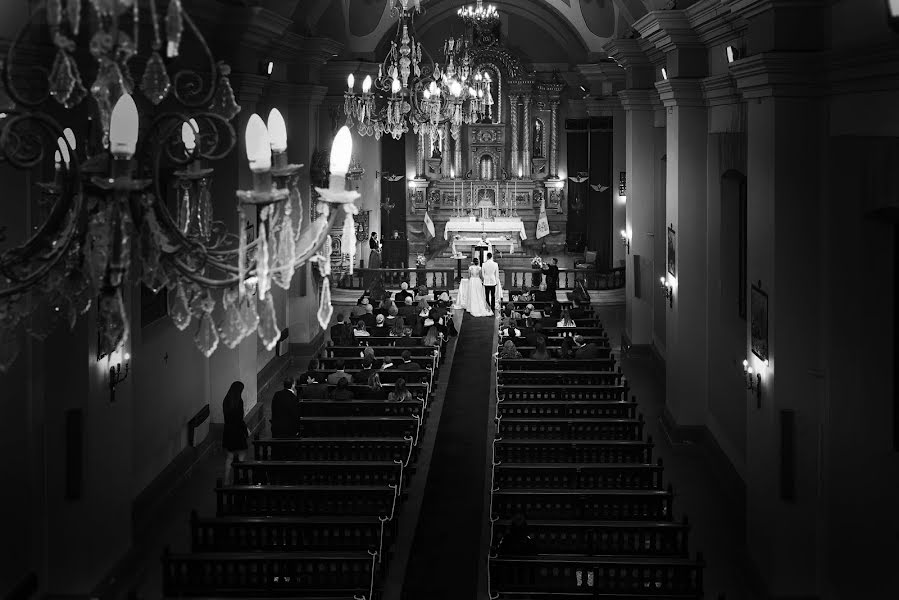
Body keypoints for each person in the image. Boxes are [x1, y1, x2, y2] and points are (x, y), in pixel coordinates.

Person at [222, 381, 248, 485]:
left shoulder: (226, 400)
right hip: (238, 432)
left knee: (229, 457)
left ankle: (226, 480)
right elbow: (240, 419)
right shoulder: (239, 402)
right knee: (242, 456)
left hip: (228, 431)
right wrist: (246, 430)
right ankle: (240, 479)